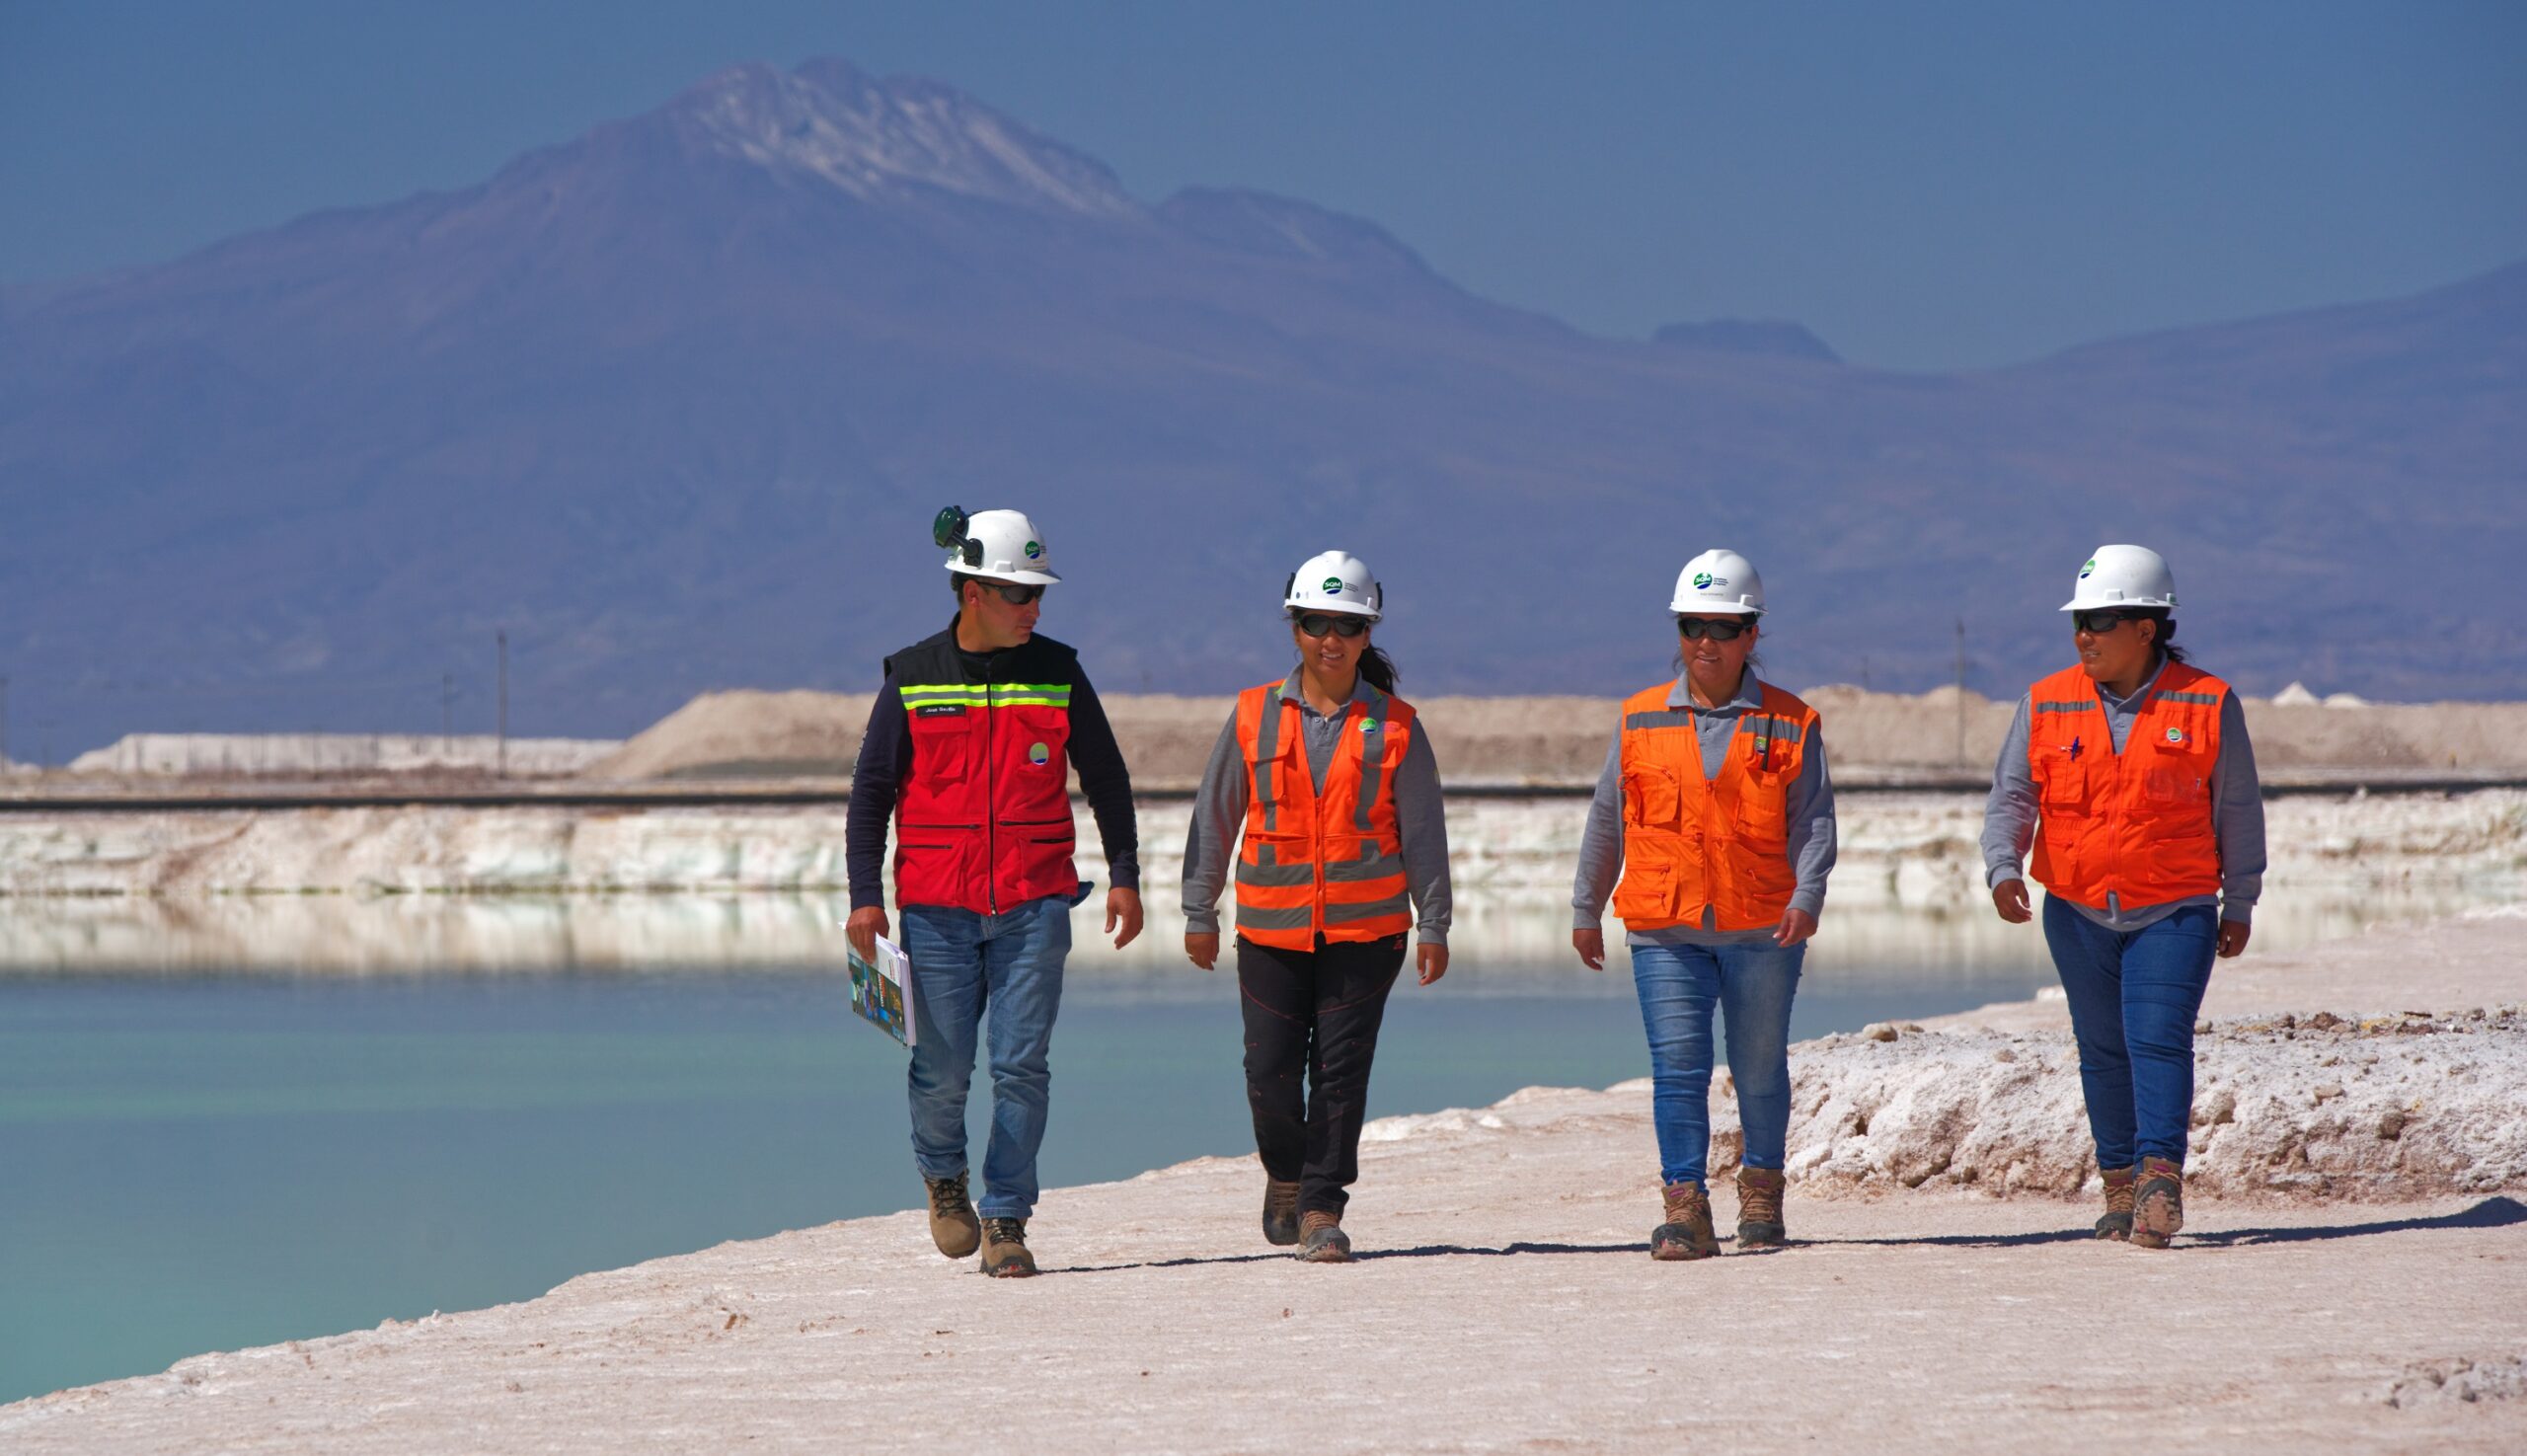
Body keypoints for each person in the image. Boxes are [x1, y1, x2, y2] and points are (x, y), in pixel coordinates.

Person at [844, 506, 1144, 1278]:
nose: (1034, 610)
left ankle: (1007, 1215)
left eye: (1039, 595)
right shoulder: (912, 676)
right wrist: (864, 897)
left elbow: (1105, 776)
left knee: (1022, 1065)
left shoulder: (1058, 670)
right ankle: (946, 1180)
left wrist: (1126, 875)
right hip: (936, 910)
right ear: (972, 591)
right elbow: (871, 790)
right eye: (1020, 595)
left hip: (1034, 904)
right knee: (940, 1068)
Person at [1982, 544, 2263, 1251]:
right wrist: (2002, 866)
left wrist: (2240, 901)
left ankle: (2160, 1181)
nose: (2084, 635)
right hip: (2076, 910)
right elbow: (2013, 793)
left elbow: (2237, 807)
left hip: (2175, 908)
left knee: (2156, 1039)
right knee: (2102, 1048)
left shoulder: (2206, 702)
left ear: (2148, 626)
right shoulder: (2045, 701)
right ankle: (2119, 1188)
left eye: (2101, 620)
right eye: (2079, 620)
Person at [1181, 551, 1453, 1264]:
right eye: (1314, 622)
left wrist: (1436, 921)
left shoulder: (1397, 725)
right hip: (1271, 926)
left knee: (1339, 1072)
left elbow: (1423, 829)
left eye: (1347, 624)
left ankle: (1321, 1206)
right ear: (1293, 628)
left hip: (1368, 931)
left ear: (1368, 633)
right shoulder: (1251, 715)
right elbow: (1217, 816)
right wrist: (1198, 909)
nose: (1330, 637)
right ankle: (1287, 1169)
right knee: (1267, 1070)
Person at [1570, 549, 1836, 1261]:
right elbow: (1608, 817)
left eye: (1722, 628)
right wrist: (1585, 905)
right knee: (1678, 1067)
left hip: (1762, 927)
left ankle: (1761, 1194)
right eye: (1693, 627)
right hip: (1664, 927)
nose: (1705, 643)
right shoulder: (1638, 718)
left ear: (1752, 633)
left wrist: (1808, 895)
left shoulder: (1793, 722)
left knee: (1757, 1065)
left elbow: (1813, 820)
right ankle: (1684, 1207)